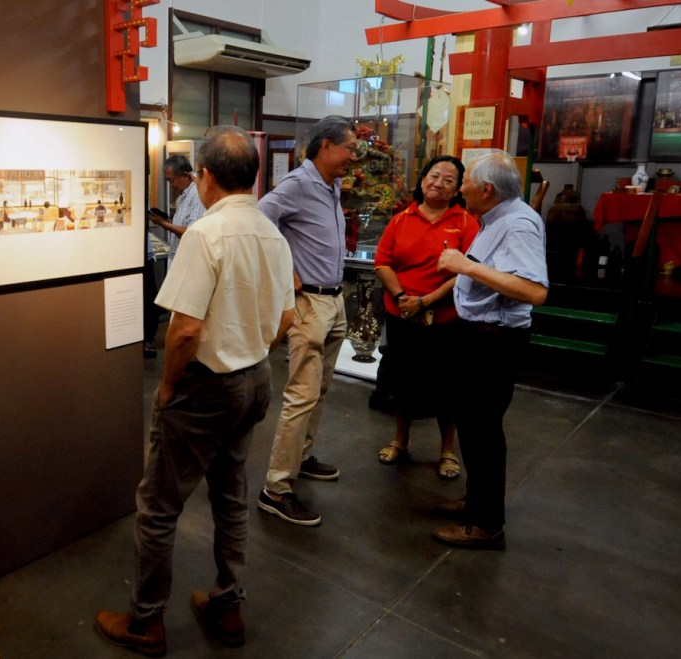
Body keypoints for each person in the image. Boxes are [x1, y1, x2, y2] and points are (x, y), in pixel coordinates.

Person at [95, 126, 295, 656]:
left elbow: (183, 330)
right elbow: (288, 317)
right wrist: (250, 345)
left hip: (208, 387)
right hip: (255, 380)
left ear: (204, 177)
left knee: (159, 506)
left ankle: (145, 623)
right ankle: (228, 608)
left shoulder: (206, 234)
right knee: (231, 497)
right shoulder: (271, 233)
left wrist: (166, 387)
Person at [434, 151, 548, 550]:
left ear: (486, 189)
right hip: (478, 336)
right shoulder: (493, 219)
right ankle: (476, 501)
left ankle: (487, 523)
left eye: (464, 181)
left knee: (484, 431)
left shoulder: (517, 225)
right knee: (471, 424)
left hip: (495, 343)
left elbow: (535, 290)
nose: (459, 187)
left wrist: (465, 267)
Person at [257, 115, 357, 526]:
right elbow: (260, 220)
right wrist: (288, 271)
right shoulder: (298, 184)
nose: (354, 155)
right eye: (349, 147)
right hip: (309, 304)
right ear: (324, 147)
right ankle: (276, 488)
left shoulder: (332, 186)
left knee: (322, 388)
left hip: (334, 302)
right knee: (301, 394)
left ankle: (300, 456)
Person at [374, 155, 480, 479]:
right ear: (422, 180)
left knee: (447, 387)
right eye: (434, 176)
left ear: (457, 189)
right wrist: (403, 298)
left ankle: (447, 451)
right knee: (404, 382)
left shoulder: (466, 222)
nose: (439, 183)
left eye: (449, 180)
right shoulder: (401, 219)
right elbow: (382, 262)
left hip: (446, 320)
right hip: (402, 314)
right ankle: (400, 441)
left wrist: (426, 301)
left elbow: (467, 272)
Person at [148, 155, 206, 269]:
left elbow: (190, 231)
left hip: (187, 263)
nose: (171, 185)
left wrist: (161, 223)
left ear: (185, 175)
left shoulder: (197, 195)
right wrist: (165, 220)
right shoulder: (183, 195)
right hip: (177, 258)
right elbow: (180, 225)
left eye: (172, 180)